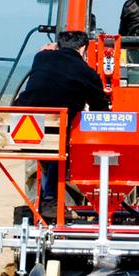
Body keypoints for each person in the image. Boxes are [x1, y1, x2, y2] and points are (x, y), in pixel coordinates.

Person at [14, 30, 109, 210]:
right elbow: (99, 107)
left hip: (21, 124)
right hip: (55, 132)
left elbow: (43, 55)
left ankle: (43, 196)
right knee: (63, 144)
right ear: (83, 49)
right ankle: (50, 196)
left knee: (55, 140)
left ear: (58, 46)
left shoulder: (41, 58)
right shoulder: (87, 73)